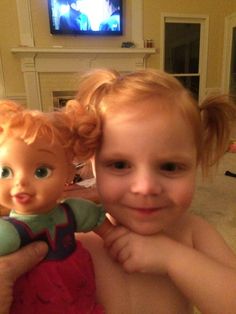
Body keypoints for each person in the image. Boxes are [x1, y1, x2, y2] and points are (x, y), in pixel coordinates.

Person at [1, 68, 236, 314]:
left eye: (169, 167)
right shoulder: (72, 237)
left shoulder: (192, 233)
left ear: (196, 164)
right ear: (91, 164)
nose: (145, 187)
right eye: (120, 165)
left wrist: (173, 258)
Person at [0, 100, 112, 314]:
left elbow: (96, 220)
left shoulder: (72, 212)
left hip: (78, 291)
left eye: (41, 171)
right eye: (4, 172)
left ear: (69, 173)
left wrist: (114, 237)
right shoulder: (8, 231)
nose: (20, 183)